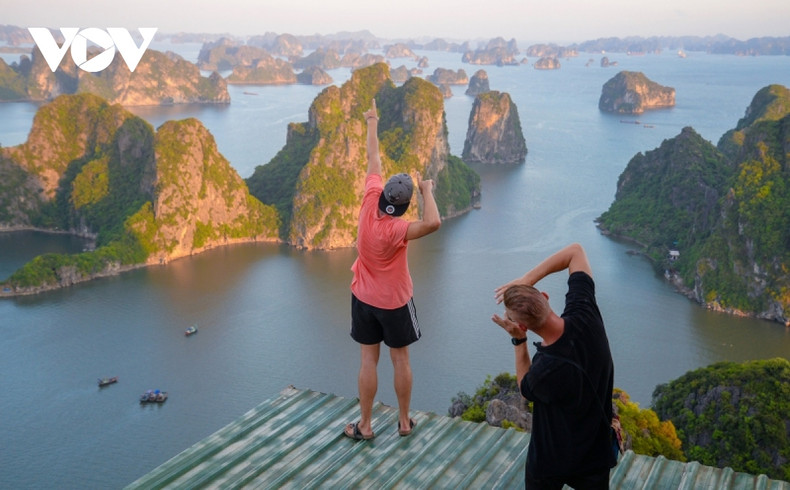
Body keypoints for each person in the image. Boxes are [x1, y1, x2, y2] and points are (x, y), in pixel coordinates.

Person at [344, 98, 441, 441]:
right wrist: (427, 190)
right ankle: (403, 422)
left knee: (368, 361)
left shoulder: (370, 199)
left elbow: (373, 157)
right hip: (395, 302)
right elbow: (433, 223)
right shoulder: (399, 230)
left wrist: (372, 120)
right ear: (403, 206)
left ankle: (365, 425)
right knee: (400, 360)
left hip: (363, 296)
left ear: (383, 193)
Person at [491, 243, 616, 489]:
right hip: (596, 453)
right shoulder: (584, 313)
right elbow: (576, 252)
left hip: (551, 459)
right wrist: (526, 280)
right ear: (545, 297)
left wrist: (518, 341)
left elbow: (525, 388)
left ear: (523, 326)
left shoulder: (545, 369)